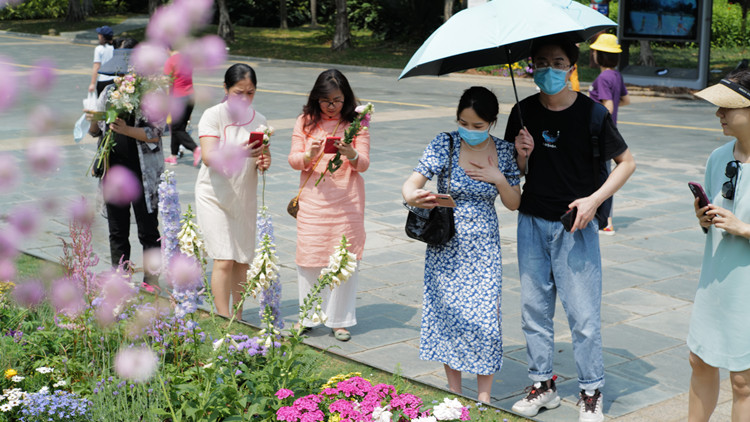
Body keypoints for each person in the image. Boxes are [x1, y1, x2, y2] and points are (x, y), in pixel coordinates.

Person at [505, 35, 635, 422]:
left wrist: (595, 201)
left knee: (583, 316)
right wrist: (522, 155)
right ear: (531, 67)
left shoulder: (593, 114)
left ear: (571, 67)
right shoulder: (523, 111)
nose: (549, 69)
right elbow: (518, 174)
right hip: (531, 221)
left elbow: (626, 162)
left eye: (557, 62)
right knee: (533, 310)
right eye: (541, 62)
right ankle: (542, 384)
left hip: (574, 227)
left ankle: (591, 390)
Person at [402, 86, 521, 402]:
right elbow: (411, 184)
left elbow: (514, 202)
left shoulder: (504, 151)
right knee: (449, 314)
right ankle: (454, 393)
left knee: (485, 318)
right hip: (446, 243)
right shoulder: (445, 143)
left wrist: (497, 177)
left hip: (484, 247)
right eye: (463, 123)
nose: (469, 131)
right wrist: (414, 195)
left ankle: (483, 397)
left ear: (492, 122)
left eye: (477, 126)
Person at [288, 69, 369, 342]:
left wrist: (352, 153)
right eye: (325, 101)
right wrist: (308, 155)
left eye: (337, 100)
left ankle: (340, 320)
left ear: (346, 98)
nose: (331, 106)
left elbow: (364, 164)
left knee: (344, 259)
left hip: (347, 201)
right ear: (316, 99)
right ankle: (309, 316)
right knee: (310, 258)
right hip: (314, 201)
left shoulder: (358, 123)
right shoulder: (305, 121)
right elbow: (293, 159)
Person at [688, 70, 750, 422]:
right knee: (700, 359)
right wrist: (703, 220)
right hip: (715, 279)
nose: (719, 114)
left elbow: (740, 223)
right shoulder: (718, 157)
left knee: (743, 381)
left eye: (727, 107)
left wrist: (744, 228)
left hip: (747, 286)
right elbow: (712, 218)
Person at [194, 63, 271, 318]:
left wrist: (263, 161)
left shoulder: (259, 120)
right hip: (214, 194)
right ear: (226, 89)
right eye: (239, 92)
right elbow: (208, 157)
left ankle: (238, 317)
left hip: (244, 195)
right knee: (224, 258)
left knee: (242, 259)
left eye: (250, 93)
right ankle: (224, 316)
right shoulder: (212, 116)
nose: (245, 98)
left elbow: (263, 156)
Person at [86, 41, 164, 284]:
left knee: (148, 230)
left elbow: (156, 133)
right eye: (119, 73)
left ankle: (151, 282)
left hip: (144, 173)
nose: (123, 78)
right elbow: (95, 132)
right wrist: (91, 119)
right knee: (117, 230)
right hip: (114, 171)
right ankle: (120, 278)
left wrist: (127, 129)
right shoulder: (108, 93)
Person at [588, 34, 631, 235]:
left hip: (599, 134)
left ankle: (604, 221)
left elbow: (610, 105)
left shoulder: (603, 78)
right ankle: (607, 220)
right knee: (605, 176)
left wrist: (599, 120)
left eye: (595, 51)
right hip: (610, 132)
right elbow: (625, 100)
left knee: (600, 177)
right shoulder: (616, 75)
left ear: (600, 56)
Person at [163, 47, 200, 167]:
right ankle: (173, 156)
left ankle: (195, 149)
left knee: (177, 129)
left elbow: (167, 83)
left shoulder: (170, 61)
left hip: (178, 99)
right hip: (190, 97)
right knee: (178, 127)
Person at [88, 26, 115, 96]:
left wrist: (92, 83)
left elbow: (96, 66)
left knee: (101, 105)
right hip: (115, 80)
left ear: (102, 36)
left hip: (103, 80)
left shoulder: (99, 49)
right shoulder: (116, 47)